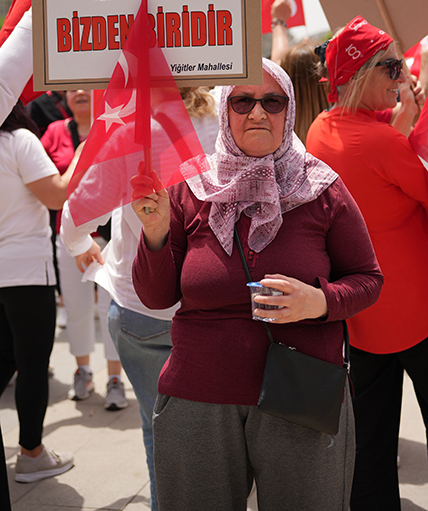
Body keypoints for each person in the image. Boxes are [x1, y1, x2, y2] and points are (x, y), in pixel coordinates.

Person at [131, 58, 383, 511]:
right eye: (243, 101)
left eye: (272, 101)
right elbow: (155, 296)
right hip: (197, 397)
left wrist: (319, 301)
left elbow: (369, 279)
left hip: (301, 400)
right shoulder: (190, 187)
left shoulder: (321, 188)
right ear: (225, 110)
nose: (258, 113)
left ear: (288, 112)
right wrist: (153, 233)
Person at [60, 86, 220, 511]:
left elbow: (73, 218)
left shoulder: (132, 130)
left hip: (142, 307)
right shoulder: (230, 115)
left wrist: (80, 246)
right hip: (216, 302)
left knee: (158, 426)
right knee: (221, 429)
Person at [306, 16, 428, 511]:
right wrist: (410, 132)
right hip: (416, 315)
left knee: (372, 452)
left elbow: (372, 161)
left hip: (362, 320)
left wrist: (403, 120)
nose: (400, 78)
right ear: (359, 75)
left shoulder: (319, 129)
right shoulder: (379, 142)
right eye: (392, 68)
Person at [0, 101, 79, 483]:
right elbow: (56, 196)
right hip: (26, 272)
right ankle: (31, 452)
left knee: (6, 361)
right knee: (31, 363)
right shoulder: (19, 140)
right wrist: (83, 151)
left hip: (13, 271)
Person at [41, 89, 126, 409]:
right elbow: (43, 181)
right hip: (69, 236)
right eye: (73, 87)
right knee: (76, 309)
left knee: (110, 311)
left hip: (108, 236)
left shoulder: (118, 129)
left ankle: (115, 378)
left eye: (87, 87)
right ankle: (83, 371)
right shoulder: (54, 132)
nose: (80, 92)